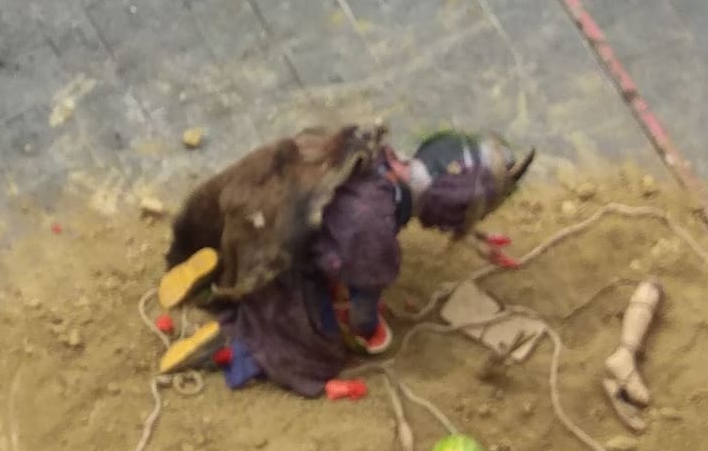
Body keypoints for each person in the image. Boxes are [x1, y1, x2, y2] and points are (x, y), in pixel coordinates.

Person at [156, 126, 534, 398]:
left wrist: (472, 236)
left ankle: (210, 275)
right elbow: (362, 316)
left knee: (282, 251)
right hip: (272, 253)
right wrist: (361, 326)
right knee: (312, 349)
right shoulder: (372, 227)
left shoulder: (370, 152)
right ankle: (232, 346)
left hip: (242, 213)